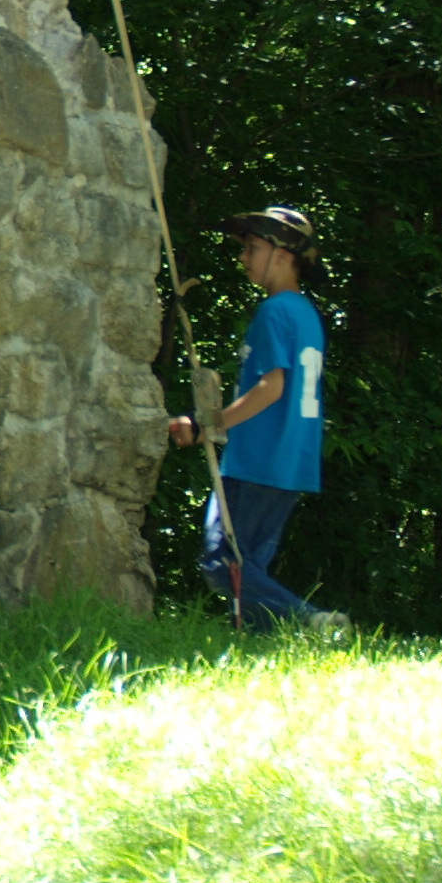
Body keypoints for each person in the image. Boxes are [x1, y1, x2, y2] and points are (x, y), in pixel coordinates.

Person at [166, 207, 344, 632]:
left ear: (283, 256)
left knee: (220, 561)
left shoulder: (275, 311)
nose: (244, 257)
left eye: (253, 248)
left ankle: (312, 621)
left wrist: (207, 424)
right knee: (248, 567)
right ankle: (258, 637)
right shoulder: (304, 313)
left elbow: (271, 388)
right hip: (291, 459)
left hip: (259, 459)